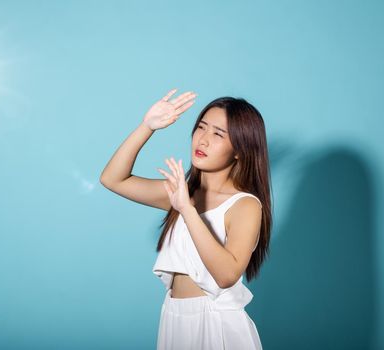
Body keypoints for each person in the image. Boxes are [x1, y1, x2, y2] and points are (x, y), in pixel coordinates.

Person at [100, 88, 272, 349]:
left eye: (218, 134)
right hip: (174, 317)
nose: (202, 140)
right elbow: (113, 179)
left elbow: (226, 276)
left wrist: (187, 210)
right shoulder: (183, 192)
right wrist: (147, 127)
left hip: (217, 322)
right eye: (201, 127)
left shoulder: (245, 205)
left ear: (240, 149)